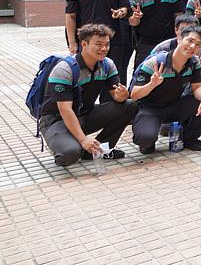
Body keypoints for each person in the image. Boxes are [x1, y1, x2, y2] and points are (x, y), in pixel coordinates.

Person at [39, 24, 138, 166]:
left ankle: (100, 149)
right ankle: (66, 143)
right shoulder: (65, 69)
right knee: (70, 153)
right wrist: (83, 139)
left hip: (84, 115)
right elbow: (65, 109)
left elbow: (116, 96)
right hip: (57, 120)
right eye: (99, 44)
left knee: (129, 106)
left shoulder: (107, 65)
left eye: (107, 44)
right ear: (84, 44)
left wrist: (122, 95)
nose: (104, 48)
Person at [130, 25, 201, 153]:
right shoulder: (155, 62)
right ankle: (148, 141)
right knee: (145, 138)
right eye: (190, 41)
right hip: (151, 109)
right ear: (179, 39)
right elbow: (134, 95)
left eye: (198, 44)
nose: (192, 46)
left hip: (175, 106)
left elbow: (197, 86)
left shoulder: (194, 63)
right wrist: (152, 84)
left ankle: (189, 139)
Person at [65, 0, 128, 85]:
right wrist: (72, 42)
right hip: (87, 42)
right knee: (84, 80)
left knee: (113, 80)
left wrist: (121, 12)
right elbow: (70, 17)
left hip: (113, 42)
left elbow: (125, 8)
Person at [128, 0, 184, 68]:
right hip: (146, 41)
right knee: (142, 70)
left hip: (170, 38)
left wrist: (180, 36)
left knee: (172, 69)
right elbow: (133, 23)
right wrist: (136, 17)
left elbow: (179, 16)